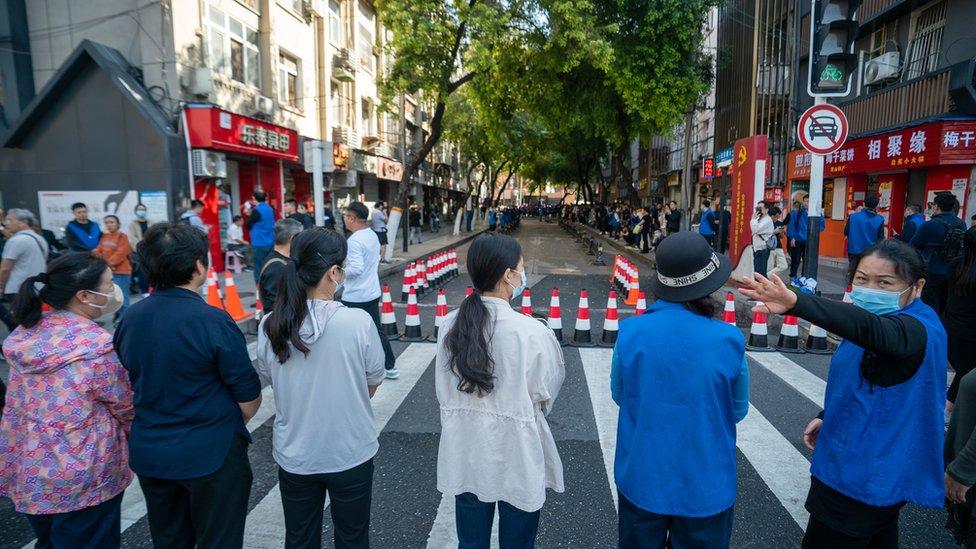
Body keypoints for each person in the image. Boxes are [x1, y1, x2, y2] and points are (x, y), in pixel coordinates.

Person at [740, 239, 947, 548]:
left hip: (858, 477)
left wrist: (797, 302)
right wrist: (829, 415)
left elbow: (874, 332)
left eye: (885, 282)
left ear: (917, 287)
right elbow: (876, 379)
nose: (869, 288)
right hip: (876, 471)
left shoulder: (913, 329)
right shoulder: (886, 319)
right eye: (862, 279)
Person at [114, 222, 262, 548]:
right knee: (219, 539)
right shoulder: (212, 319)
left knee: (169, 539)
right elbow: (248, 395)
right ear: (198, 266)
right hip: (211, 452)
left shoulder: (130, 318)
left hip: (151, 451)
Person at [612, 231, 747, 547]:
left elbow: (619, 394)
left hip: (642, 476)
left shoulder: (631, 332)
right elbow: (737, 409)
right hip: (707, 483)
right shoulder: (729, 341)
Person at [257, 228, 385, 548]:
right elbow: (373, 380)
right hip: (350, 452)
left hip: (295, 454)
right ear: (333, 273)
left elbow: (271, 376)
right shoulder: (358, 323)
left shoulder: (270, 324)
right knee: (353, 538)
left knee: (299, 538)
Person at [436, 233, 565, 548]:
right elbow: (545, 392)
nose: (523, 276)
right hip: (517, 451)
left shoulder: (450, 324)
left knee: (471, 541)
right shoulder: (533, 332)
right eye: (520, 269)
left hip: (465, 450)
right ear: (509, 276)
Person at [0, 252, 133, 548]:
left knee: (48, 541)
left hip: (29, 467)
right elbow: (125, 406)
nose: (114, 291)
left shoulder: (25, 335)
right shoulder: (98, 347)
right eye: (109, 284)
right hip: (84, 470)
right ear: (85, 295)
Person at [341, 202, 398, 379]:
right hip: (371, 291)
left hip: (355, 295)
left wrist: (338, 272)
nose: (344, 220)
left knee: (351, 334)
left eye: (345, 216)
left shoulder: (355, 240)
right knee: (375, 330)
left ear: (352, 218)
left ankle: (357, 369)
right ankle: (390, 365)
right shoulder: (371, 234)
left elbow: (356, 269)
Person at [911, 192, 967, 315]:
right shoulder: (961, 224)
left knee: (930, 302)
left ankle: (931, 326)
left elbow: (913, 245)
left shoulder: (930, 225)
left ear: (936, 206)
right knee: (946, 301)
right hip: (954, 270)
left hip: (932, 270)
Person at [0, 209, 49, 332]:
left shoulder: (16, 241)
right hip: (37, 287)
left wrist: (0, 286)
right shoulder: (39, 238)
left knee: (22, 325)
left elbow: (5, 269)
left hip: (18, 289)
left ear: (23, 222)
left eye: (10, 220)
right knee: (35, 324)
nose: (6, 223)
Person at [944, 228, 976, 412]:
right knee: (966, 373)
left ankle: (950, 407)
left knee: (963, 371)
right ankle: (950, 408)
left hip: (952, 326)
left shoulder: (956, 264)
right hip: (971, 333)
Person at [94, 215, 132, 324]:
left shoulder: (122, 237)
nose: (109, 224)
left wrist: (106, 264)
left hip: (121, 272)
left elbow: (121, 253)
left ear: (118, 224)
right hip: (108, 271)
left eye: (112, 222)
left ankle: (125, 319)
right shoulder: (104, 237)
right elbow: (99, 251)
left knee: (122, 296)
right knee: (112, 297)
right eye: (107, 222)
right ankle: (118, 315)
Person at [259, 218, 303, 309]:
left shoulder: (282, 260)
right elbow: (275, 305)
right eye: (301, 237)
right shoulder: (277, 266)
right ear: (293, 238)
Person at [844, 194, 885, 262]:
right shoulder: (880, 219)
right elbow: (880, 239)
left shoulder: (853, 217)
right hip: (870, 252)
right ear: (876, 205)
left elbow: (846, 232)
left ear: (864, 204)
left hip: (853, 250)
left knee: (853, 271)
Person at [248, 190, 277, 285]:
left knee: (259, 267)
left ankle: (260, 287)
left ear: (254, 199)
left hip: (259, 242)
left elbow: (248, 224)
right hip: (270, 241)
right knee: (269, 264)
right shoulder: (270, 209)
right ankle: (271, 282)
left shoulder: (256, 210)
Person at [128, 203, 154, 294]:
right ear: (136, 211)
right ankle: (144, 290)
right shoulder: (132, 223)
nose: (141, 211)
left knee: (152, 269)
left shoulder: (151, 222)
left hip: (151, 249)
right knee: (142, 271)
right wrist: (140, 247)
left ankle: (152, 289)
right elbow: (132, 237)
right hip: (139, 250)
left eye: (143, 209)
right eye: (139, 209)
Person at [751, 201, 775, 278]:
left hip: (762, 250)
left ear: (766, 210)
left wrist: (753, 219)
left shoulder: (767, 220)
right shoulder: (760, 219)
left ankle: (761, 288)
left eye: (760, 208)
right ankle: (761, 288)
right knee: (758, 272)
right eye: (757, 208)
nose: (757, 210)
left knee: (759, 273)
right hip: (758, 249)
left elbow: (755, 229)